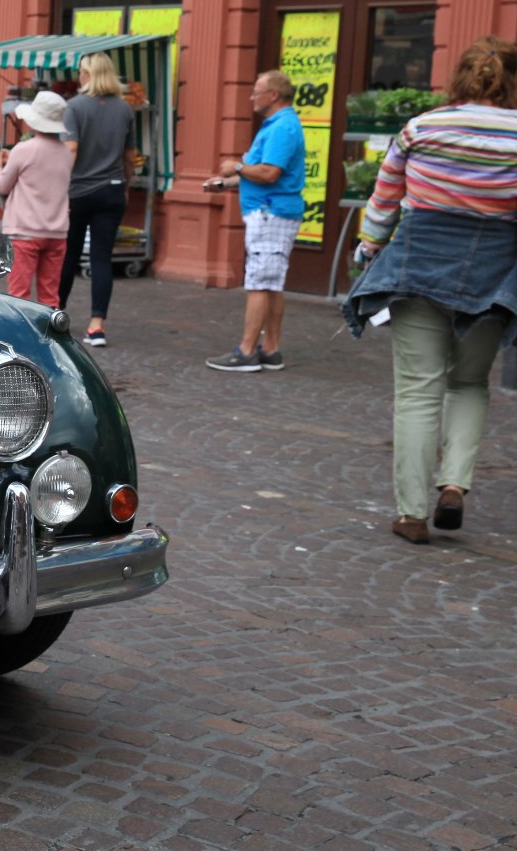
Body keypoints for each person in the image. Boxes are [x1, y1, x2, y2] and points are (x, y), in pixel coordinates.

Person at [342, 37, 517, 544]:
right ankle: (455, 484)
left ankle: (412, 513)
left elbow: (384, 200)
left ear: (461, 76)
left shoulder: (421, 129)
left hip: (417, 269)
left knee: (418, 391)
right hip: (493, 278)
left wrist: (369, 249)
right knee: (470, 384)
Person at [203, 70, 307, 372]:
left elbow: (269, 173)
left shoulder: (282, 127)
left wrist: (236, 166)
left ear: (273, 95)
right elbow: (263, 174)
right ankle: (270, 350)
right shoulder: (280, 124)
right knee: (271, 283)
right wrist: (226, 183)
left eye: (256, 92)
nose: (251, 97)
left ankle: (247, 352)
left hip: (270, 213)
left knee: (260, 283)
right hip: (272, 210)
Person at [58, 52, 137, 347]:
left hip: (78, 191)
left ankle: (56, 313)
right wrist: (126, 185)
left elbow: (71, 150)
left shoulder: (75, 107)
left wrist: (59, 186)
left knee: (68, 254)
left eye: (82, 70)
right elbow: (130, 156)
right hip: (112, 189)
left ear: (89, 74)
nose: (79, 75)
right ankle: (97, 326)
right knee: (102, 257)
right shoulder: (125, 109)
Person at [0, 91, 75, 304]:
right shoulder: (67, 153)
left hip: (24, 231)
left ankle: (21, 328)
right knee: (50, 297)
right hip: (56, 232)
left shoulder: (23, 149)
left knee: (19, 297)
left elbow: (2, 186)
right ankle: (50, 326)